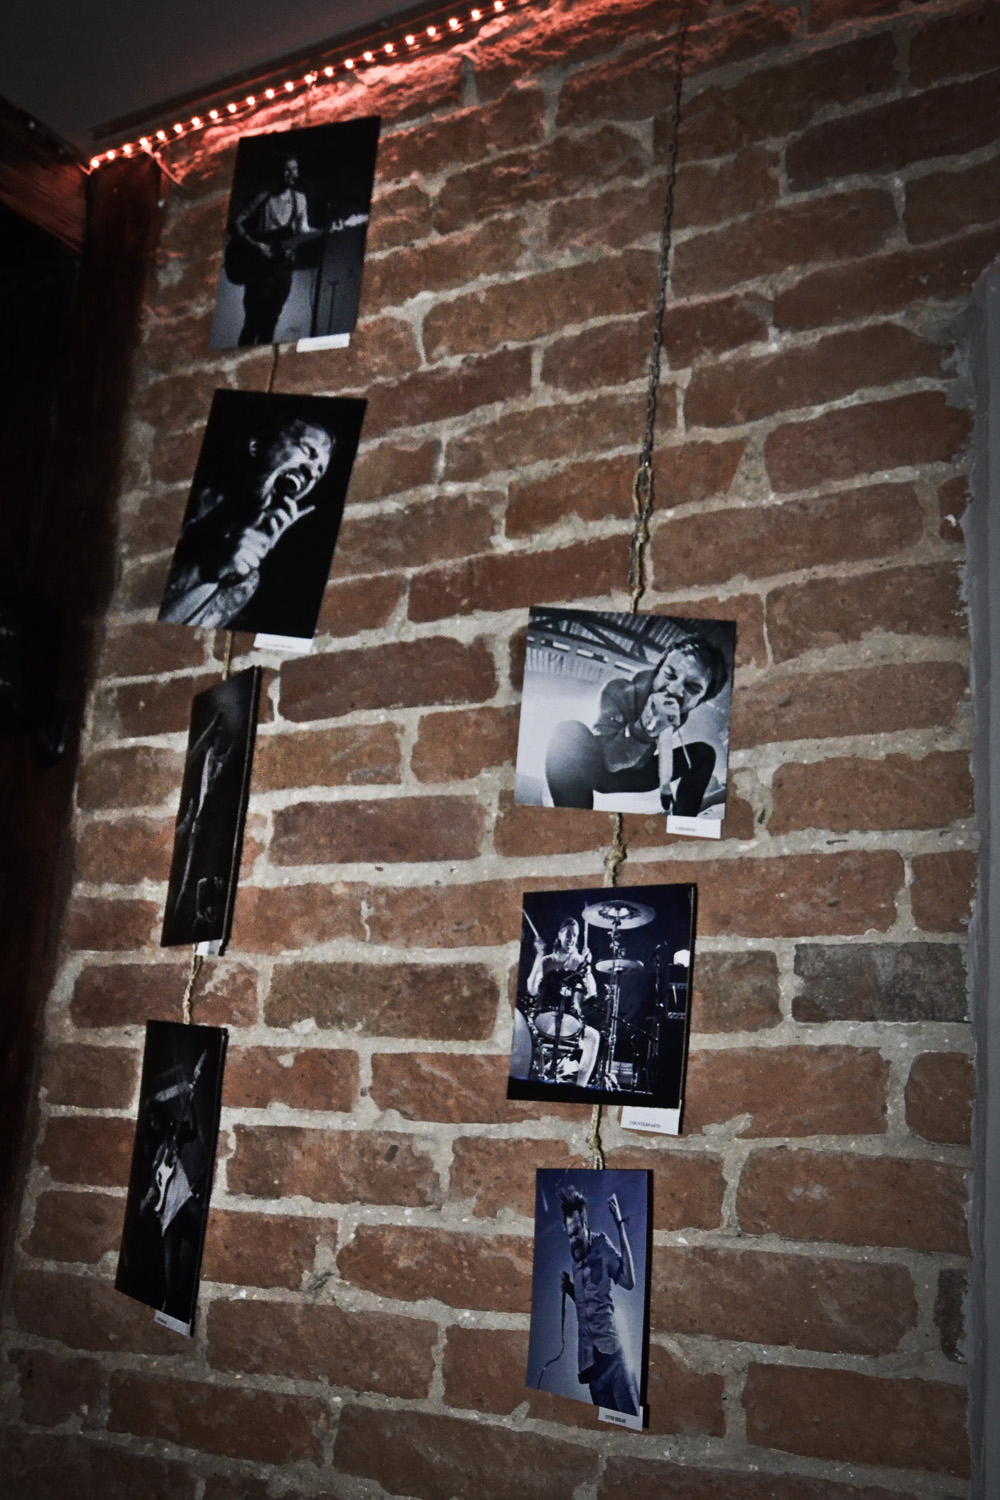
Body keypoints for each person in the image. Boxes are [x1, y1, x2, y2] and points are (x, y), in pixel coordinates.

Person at [159, 417, 333, 630]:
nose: (312, 472)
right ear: (256, 446)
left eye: (319, 472)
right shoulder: (174, 495)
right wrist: (206, 568)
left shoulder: (245, 580)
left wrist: (228, 575)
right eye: (307, 451)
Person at [544, 635, 730, 815]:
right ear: (657, 671)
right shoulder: (617, 690)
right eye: (669, 675)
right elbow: (610, 762)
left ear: (699, 701)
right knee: (567, 732)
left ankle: (683, 824)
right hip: (600, 766)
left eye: (693, 688)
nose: (674, 690)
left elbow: (664, 746)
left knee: (703, 753)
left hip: (637, 770)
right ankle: (572, 821)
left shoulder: (681, 712)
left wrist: (665, 787)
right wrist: (643, 728)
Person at [559, 1183, 640, 1414]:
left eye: (577, 1233)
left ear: (585, 1226)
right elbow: (586, 1306)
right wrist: (570, 1289)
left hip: (614, 1360)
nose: (573, 1240)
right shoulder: (575, 1262)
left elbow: (628, 1281)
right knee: (608, 1428)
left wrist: (619, 1225)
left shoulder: (601, 1244)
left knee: (631, 1421)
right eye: (569, 1235)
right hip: (592, 1371)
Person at [231, 154, 313, 345]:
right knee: (252, 322)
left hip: (283, 267)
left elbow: (303, 230)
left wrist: (323, 230)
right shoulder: (264, 197)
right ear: (278, 172)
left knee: (270, 322)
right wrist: (255, 244)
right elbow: (237, 223)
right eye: (287, 169)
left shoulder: (300, 199)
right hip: (259, 267)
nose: (293, 174)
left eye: (295, 169)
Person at [526, 918, 601, 1086]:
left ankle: (579, 1088)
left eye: (575, 935)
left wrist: (588, 968)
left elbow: (592, 993)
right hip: (545, 1021)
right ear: (560, 935)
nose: (571, 939)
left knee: (593, 1037)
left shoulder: (580, 962)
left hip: (571, 1023)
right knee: (526, 1037)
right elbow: (531, 989)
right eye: (568, 934)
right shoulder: (547, 961)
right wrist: (539, 955)